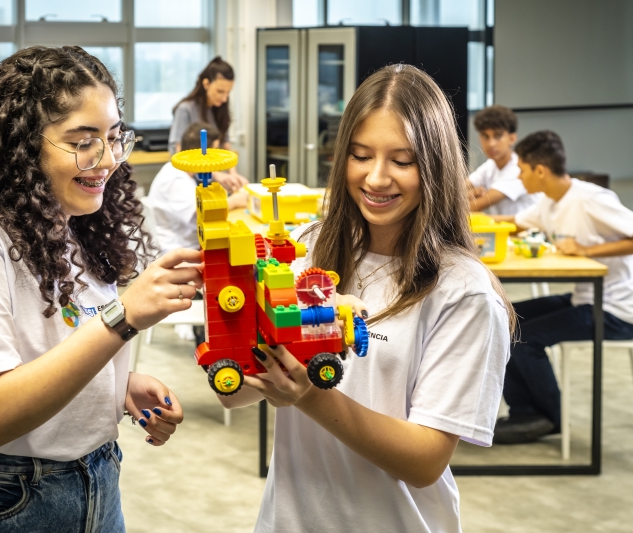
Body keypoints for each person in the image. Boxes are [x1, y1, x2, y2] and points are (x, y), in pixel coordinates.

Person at [0, 46, 204, 532]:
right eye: (83, 142)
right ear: (22, 144)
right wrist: (122, 317)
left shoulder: (73, 229)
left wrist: (113, 387)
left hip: (97, 480)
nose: (105, 160)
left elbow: (45, 352)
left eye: (112, 137)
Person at [220, 65, 514, 532]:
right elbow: (237, 397)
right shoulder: (307, 248)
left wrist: (309, 396)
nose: (377, 178)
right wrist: (232, 359)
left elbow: (424, 461)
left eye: (402, 161)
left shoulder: (464, 293)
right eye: (360, 155)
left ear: (435, 166)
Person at [493, 130, 633, 444]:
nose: (518, 176)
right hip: (584, 299)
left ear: (539, 171)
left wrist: (587, 251)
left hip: (616, 312)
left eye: (522, 169)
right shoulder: (550, 202)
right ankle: (525, 414)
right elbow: (514, 222)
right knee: (505, 321)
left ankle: (549, 419)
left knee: (525, 339)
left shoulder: (590, 199)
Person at [148, 122, 247, 256]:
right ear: (200, 154)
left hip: (188, 243)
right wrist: (235, 201)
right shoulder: (175, 178)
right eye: (213, 152)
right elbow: (200, 212)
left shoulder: (182, 173)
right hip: (178, 250)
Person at [169, 56, 246, 189]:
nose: (224, 98)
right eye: (220, 91)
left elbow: (225, 145)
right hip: (190, 181)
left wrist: (234, 175)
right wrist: (217, 175)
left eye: (228, 93)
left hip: (212, 180)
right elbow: (179, 151)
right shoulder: (186, 109)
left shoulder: (220, 109)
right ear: (206, 84)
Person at [468, 105, 540, 215]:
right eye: (485, 136)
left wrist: (465, 198)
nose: (491, 144)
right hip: (505, 232)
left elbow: (474, 206)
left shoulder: (518, 168)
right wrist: (468, 195)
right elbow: (458, 189)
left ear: (512, 138)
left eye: (498, 136)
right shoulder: (490, 166)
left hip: (531, 232)